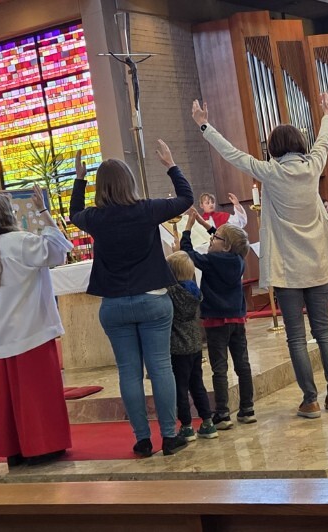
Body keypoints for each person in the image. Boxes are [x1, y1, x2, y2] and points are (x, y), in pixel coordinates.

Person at [192, 94, 328, 420]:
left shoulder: (270, 172)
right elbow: (324, 140)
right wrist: (327, 115)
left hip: (288, 267)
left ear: (275, 148)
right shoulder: (313, 166)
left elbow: (233, 154)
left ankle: (310, 400)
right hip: (318, 264)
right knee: (323, 332)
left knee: (296, 337)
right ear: (298, 144)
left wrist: (205, 126)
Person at [69, 141, 192, 457]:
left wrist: (80, 179)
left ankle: (142, 439)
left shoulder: (95, 218)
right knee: (160, 367)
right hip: (152, 300)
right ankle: (169, 436)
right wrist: (170, 165)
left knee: (128, 372)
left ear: (101, 187)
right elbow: (186, 199)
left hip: (115, 305)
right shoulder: (146, 210)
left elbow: (73, 214)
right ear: (130, 183)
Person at [0, 185, 73, 467]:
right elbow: (57, 252)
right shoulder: (20, 242)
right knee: (37, 394)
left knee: (10, 397)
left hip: (1, 334)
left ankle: (15, 449)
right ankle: (42, 447)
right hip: (31, 329)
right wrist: (44, 212)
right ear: (8, 214)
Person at [182, 210, 254, 428]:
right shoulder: (239, 259)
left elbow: (187, 253)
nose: (211, 239)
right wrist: (205, 224)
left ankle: (222, 413)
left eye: (215, 238)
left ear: (226, 246)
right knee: (243, 365)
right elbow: (225, 239)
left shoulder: (212, 260)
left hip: (215, 321)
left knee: (220, 368)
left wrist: (188, 228)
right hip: (237, 319)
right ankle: (247, 409)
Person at [165, 251, 217, 442]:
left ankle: (186, 426)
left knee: (180, 388)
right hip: (195, 346)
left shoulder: (171, 292)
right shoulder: (195, 291)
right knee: (197, 385)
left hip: (178, 348)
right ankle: (208, 423)